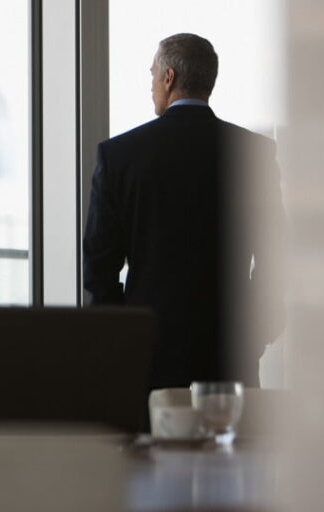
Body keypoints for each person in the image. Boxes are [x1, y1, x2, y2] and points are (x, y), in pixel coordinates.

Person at [83, 33, 285, 389]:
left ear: (168, 77)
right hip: (229, 349)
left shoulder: (120, 157)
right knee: (231, 443)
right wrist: (256, 332)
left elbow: (99, 266)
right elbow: (276, 255)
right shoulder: (254, 153)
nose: (150, 86)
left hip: (150, 353)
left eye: (152, 75)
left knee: (149, 443)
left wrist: (121, 336)